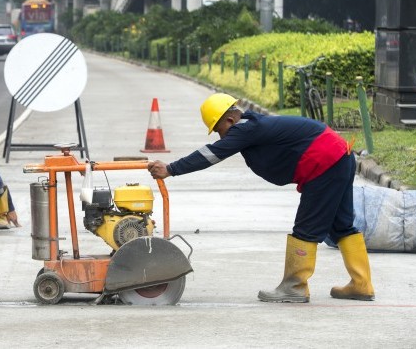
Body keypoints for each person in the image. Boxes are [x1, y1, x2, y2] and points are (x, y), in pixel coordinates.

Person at [147, 93, 375, 304]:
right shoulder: (253, 126)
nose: (221, 136)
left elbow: (212, 154)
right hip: (341, 157)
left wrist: (171, 169)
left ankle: (294, 287)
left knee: (307, 227)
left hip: (324, 164)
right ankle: (361, 284)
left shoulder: (244, 130)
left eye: (218, 130)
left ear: (229, 120)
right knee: (340, 225)